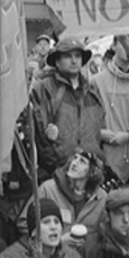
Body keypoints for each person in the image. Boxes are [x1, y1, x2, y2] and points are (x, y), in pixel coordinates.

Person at [31, 37, 105, 176]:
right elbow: (40, 135)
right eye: (67, 56)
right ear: (57, 61)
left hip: (88, 173)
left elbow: (98, 130)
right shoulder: (43, 88)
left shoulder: (91, 90)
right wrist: (57, 167)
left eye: (77, 56)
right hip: (56, 172)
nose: (74, 61)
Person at [17, 151, 108, 247]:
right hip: (52, 254)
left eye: (82, 161)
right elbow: (23, 223)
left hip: (84, 256)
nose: (74, 163)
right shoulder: (48, 189)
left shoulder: (101, 198)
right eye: (75, 158)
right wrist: (57, 241)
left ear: (93, 172)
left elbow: (104, 235)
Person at [93, 36, 129, 185]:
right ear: (113, 45)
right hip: (106, 157)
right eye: (124, 43)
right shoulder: (97, 81)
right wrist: (100, 133)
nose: (127, 48)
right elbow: (87, 118)